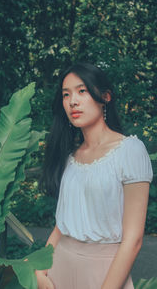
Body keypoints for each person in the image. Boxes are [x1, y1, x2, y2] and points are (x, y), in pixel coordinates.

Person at [36, 62, 153, 289]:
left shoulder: (129, 151)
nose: (73, 101)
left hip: (104, 275)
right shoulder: (70, 157)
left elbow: (133, 240)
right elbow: (61, 227)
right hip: (58, 269)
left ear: (105, 97)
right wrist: (40, 273)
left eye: (82, 91)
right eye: (66, 94)